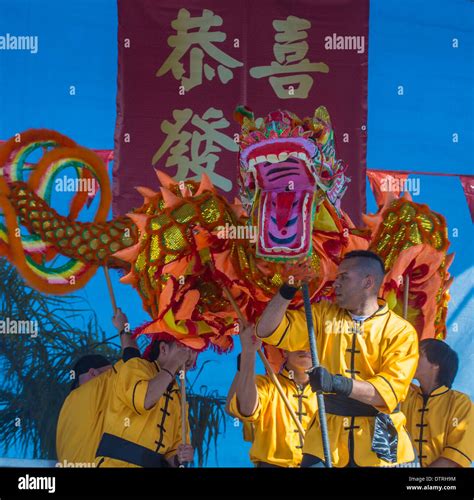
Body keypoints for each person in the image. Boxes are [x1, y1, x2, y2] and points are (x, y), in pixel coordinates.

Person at [256, 250, 419, 467]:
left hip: (379, 441)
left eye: (344, 277)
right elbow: (266, 330)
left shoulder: (401, 332)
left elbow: (386, 393)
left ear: (367, 282)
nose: (336, 284)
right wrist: (288, 287)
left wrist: (336, 383)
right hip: (326, 437)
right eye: (336, 277)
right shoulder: (322, 315)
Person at [56, 307, 140, 466]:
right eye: (110, 373)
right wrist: (124, 327)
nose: (116, 379)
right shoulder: (96, 387)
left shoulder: (68, 405)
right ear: (94, 373)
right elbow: (134, 367)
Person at [95, 337, 196, 467]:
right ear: (163, 348)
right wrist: (174, 363)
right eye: (184, 347)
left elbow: (171, 454)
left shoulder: (178, 397)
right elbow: (144, 400)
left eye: (195, 350)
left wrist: (180, 457)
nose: (190, 355)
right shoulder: (136, 366)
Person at [227, 322, 317, 467]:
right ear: (284, 350)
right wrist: (249, 352)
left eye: (311, 342)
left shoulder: (327, 392)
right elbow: (246, 409)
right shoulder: (266, 385)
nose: (305, 348)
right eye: (298, 341)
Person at [402, 339, 473, 468]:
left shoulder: (460, 403)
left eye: (419, 354)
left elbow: (454, 459)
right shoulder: (404, 395)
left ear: (435, 364)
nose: (412, 358)